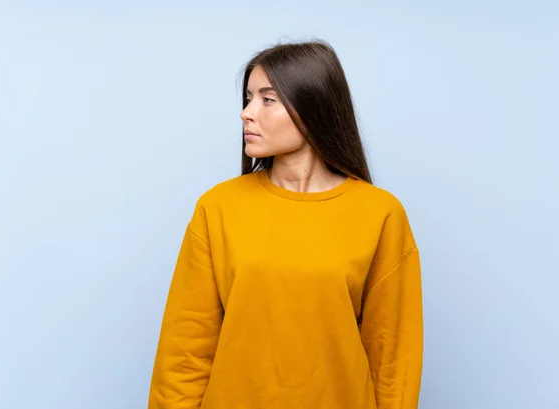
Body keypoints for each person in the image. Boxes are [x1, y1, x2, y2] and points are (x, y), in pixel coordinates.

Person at [148, 39, 423, 409]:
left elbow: (393, 363)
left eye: (267, 99)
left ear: (313, 107)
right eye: (247, 99)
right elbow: (183, 355)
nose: (246, 113)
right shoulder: (218, 208)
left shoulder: (380, 214)